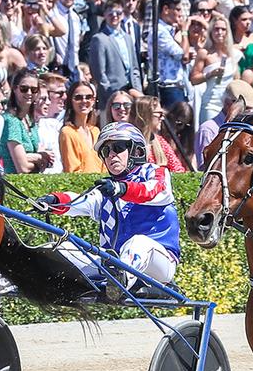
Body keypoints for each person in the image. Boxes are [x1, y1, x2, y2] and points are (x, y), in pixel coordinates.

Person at [38, 121, 181, 291]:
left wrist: (122, 189)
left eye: (118, 148)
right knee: (55, 249)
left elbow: (153, 191)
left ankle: (119, 283)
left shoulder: (154, 172)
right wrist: (53, 201)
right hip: (113, 264)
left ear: (137, 151)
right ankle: (9, 280)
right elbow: (80, 200)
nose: (111, 155)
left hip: (158, 264)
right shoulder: (107, 189)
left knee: (138, 243)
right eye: (106, 151)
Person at [59, 79, 102, 173]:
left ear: (94, 101)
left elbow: (104, 166)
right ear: (71, 101)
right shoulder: (67, 132)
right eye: (78, 97)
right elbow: (72, 171)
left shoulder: (96, 131)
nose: (84, 101)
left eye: (88, 97)